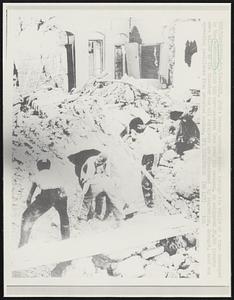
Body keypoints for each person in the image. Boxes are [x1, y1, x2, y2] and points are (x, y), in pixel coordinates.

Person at [18, 157, 71, 277]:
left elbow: (30, 194)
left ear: (39, 166)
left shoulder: (37, 175)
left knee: (26, 217)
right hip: (61, 194)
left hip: (47, 196)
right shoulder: (55, 173)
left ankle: (23, 245)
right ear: (49, 166)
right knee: (64, 218)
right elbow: (63, 188)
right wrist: (62, 198)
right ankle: (67, 245)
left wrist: (29, 204)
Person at [78, 152, 126, 221]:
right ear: (98, 156)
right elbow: (88, 177)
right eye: (99, 159)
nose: (99, 161)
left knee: (112, 198)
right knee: (87, 198)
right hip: (89, 179)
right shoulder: (91, 161)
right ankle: (82, 217)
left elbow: (111, 174)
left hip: (102, 180)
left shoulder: (107, 163)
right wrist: (85, 189)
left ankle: (118, 217)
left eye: (101, 162)